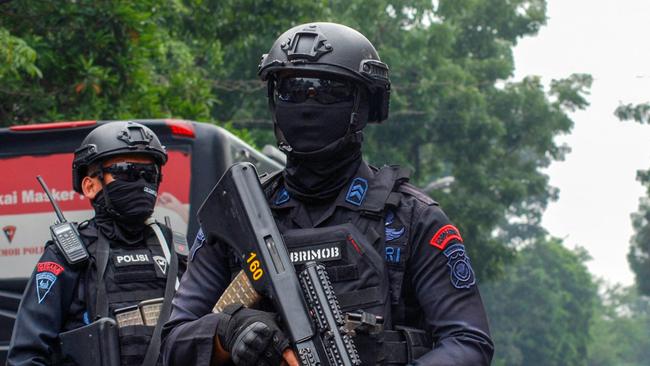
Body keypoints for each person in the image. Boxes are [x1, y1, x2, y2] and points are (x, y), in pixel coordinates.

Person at [162, 22, 494, 366]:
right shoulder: (238, 217)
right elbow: (172, 343)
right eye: (292, 89)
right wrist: (228, 332)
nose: (308, 105)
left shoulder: (411, 220)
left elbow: (468, 343)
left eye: (327, 91)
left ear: (362, 107)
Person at [7, 121, 184, 366]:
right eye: (126, 171)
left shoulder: (176, 251)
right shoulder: (66, 256)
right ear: (89, 185)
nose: (141, 182)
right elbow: (26, 356)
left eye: (149, 174)